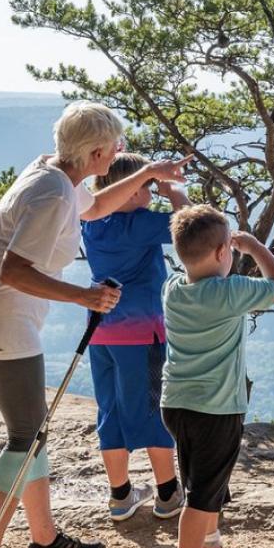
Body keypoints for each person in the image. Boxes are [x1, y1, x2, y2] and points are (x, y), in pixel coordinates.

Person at [0, 101, 191, 548]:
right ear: (98, 151)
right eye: (118, 148)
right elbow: (14, 271)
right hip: (1, 314)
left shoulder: (55, 174)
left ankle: (44, 541)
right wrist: (84, 295)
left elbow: (99, 206)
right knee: (26, 436)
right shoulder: (53, 197)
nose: (119, 153)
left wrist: (145, 170)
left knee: (31, 432)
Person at [159, 206, 274, 548]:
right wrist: (255, 247)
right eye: (229, 250)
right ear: (222, 253)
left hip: (176, 403)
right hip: (215, 408)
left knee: (203, 477)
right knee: (201, 493)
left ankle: (210, 546)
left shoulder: (173, 288)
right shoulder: (228, 292)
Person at [81, 152, 189, 522]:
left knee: (110, 410)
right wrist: (172, 188)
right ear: (128, 192)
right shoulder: (138, 224)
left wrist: (151, 183)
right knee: (153, 410)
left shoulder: (91, 223)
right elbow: (193, 226)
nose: (151, 194)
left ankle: (120, 495)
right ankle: (167, 493)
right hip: (143, 333)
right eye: (146, 188)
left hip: (101, 330)